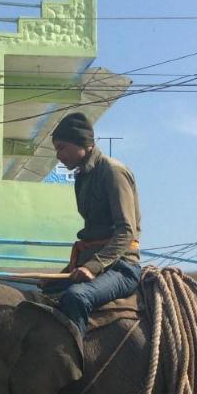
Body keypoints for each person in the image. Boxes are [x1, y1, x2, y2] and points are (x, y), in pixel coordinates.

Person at [47, 111, 142, 338]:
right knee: (44, 292)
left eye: (62, 147)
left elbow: (126, 231)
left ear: (83, 144)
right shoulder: (82, 177)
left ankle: (73, 365)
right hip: (90, 261)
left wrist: (93, 267)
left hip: (121, 267)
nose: (58, 156)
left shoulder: (113, 171)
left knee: (76, 297)